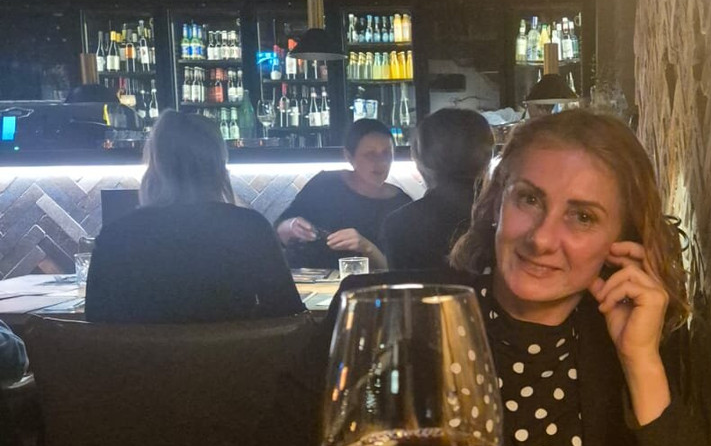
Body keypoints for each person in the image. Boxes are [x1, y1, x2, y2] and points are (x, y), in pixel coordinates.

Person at [215, 109, 711, 446]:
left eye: (583, 217)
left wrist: (641, 363)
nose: (542, 239)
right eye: (529, 199)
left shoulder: (638, 350)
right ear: (496, 203)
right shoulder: (382, 319)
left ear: (622, 242)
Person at [85, 110, 304, 324]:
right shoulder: (250, 228)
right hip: (233, 349)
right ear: (219, 165)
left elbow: (96, 319)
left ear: (155, 165)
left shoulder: (116, 235)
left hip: (142, 350)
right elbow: (287, 312)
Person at [276, 119, 411, 270]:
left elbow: (399, 271)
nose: (381, 162)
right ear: (349, 157)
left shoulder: (402, 205)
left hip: (367, 285)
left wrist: (366, 247)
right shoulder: (324, 184)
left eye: (386, 153)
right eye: (370, 154)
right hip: (306, 280)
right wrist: (290, 226)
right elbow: (279, 232)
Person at [380, 107, 493, 270]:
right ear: (487, 157)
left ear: (419, 158)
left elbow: (403, 286)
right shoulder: (506, 215)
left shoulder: (399, 225)